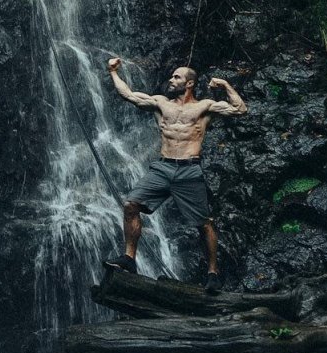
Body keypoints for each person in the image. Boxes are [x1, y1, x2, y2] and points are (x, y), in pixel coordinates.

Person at [104, 59, 248, 293]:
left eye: (176, 77)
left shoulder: (204, 106)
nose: (171, 80)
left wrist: (224, 84)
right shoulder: (161, 103)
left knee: (204, 224)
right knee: (131, 205)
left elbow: (240, 109)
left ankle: (213, 273)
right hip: (162, 168)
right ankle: (129, 258)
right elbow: (129, 95)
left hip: (189, 169)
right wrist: (113, 72)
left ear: (189, 83)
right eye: (172, 77)